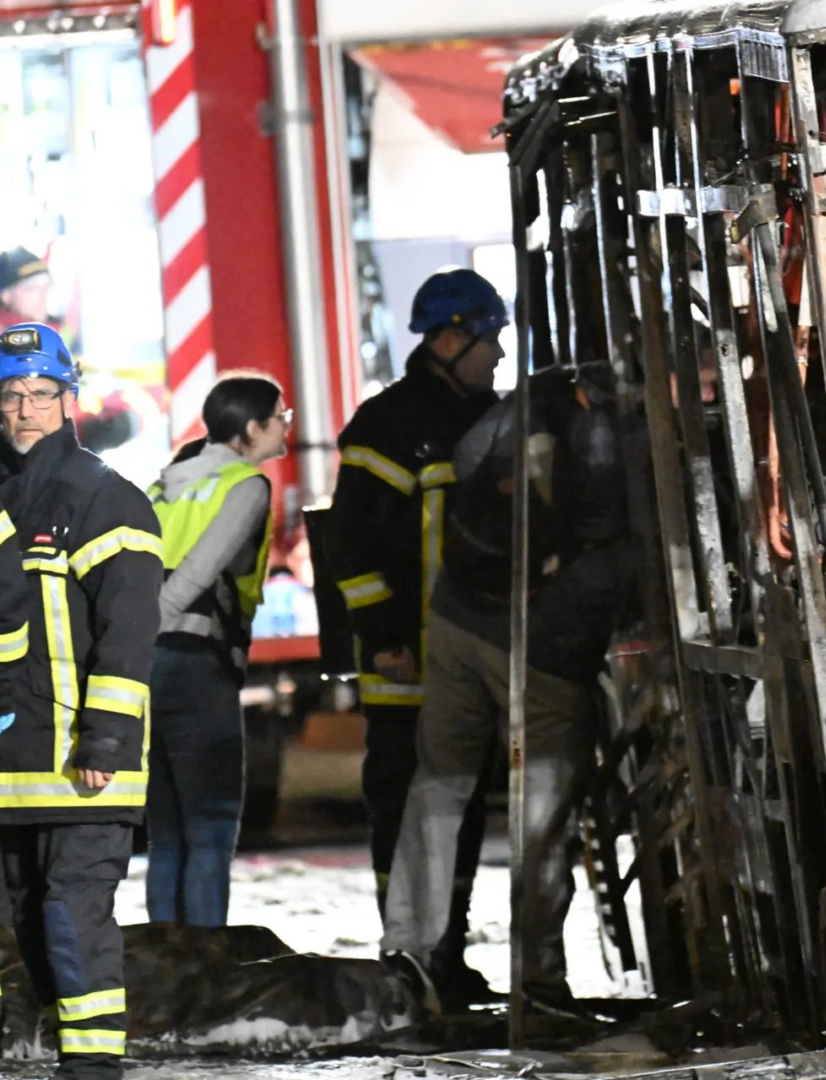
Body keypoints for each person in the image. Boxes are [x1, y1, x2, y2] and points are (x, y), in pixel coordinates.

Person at [382, 362, 637, 1012]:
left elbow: (468, 472)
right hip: (535, 640)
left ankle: (408, 966)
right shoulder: (612, 438)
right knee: (543, 812)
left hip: (455, 614)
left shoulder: (520, 406)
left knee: (438, 786)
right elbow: (610, 552)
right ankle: (539, 990)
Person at [325, 267, 505, 998]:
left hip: (467, 656)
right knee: (400, 804)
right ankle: (403, 961)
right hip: (403, 659)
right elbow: (349, 545)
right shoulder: (387, 425)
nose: (496, 354)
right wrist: (382, 637)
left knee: (459, 810)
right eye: (488, 339)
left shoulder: (487, 420)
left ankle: (446, 954)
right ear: (449, 336)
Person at [0, 323, 163, 1079]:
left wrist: (104, 740)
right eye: (11, 395)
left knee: (72, 915)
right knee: (25, 921)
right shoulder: (7, 498)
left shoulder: (105, 498)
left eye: (41, 394)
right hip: (16, 759)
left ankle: (95, 1068)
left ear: (69, 401)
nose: (25, 409)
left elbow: (128, 634)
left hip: (85, 762)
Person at [144, 374, 290, 926]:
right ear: (251, 429)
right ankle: (206, 975)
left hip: (143, 667)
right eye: (280, 418)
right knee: (209, 831)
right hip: (196, 664)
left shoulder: (162, 485)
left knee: (166, 836)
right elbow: (200, 573)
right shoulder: (245, 485)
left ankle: (164, 973)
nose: (285, 428)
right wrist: (159, 622)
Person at [0, 248, 54, 330]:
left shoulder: (59, 330)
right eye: (31, 288)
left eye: (46, 287)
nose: (42, 296)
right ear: (5, 295)